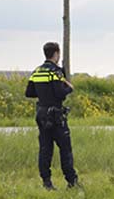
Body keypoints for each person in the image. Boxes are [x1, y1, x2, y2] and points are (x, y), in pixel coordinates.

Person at [25, 41, 78, 190]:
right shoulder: (55, 72)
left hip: (41, 113)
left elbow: (29, 93)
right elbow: (60, 93)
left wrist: (43, 93)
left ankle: (46, 182)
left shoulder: (37, 71)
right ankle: (71, 182)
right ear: (56, 54)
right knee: (65, 149)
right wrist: (69, 88)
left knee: (45, 149)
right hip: (55, 114)